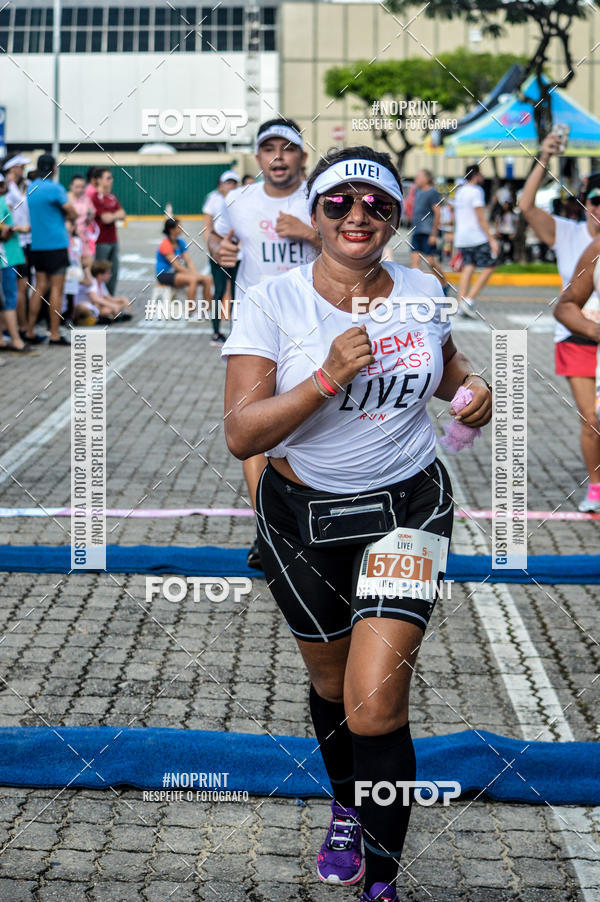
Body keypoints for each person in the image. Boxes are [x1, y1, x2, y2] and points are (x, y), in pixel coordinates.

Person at [222, 145, 491, 902]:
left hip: (406, 509)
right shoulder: (274, 301)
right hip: (302, 517)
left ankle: (382, 881)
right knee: (332, 682)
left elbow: (448, 372)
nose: (357, 217)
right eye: (339, 203)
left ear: (395, 218)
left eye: (375, 206)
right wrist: (328, 376)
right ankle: (346, 802)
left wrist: (476, 393)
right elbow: (243, 433)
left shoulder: (422, 289)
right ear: (317, 215)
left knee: (376, 703)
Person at [209, 117, 321, 569]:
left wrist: (310, 234)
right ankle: (269, 532)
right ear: (258, 157)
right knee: (253, 432)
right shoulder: (238, 200)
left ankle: (319, 524)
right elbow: (215, 234)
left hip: (315, 328)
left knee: (311, 429)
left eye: (288, 148)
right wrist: (219, 250)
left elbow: (360, 244)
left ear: (302, 157)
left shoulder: (320, 199)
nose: (278, 156)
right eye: (269, 148)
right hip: (257, 330)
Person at [519, 133, 600, 510]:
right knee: (593, 419)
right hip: (578, 338)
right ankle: (596, 488)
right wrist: (545, 156)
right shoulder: (566, 233)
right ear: (586, 204)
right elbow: (526, 204)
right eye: (597, 202)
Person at [553, 239, 600, 511]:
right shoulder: (595, 248)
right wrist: (594, 330)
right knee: (592, 420)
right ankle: (596, 487)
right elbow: (565, 305)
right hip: (582, 343)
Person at [25, 152, 77, 346]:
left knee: (39, 287)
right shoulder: (56, 189)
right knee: (57, 288)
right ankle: (54, 333)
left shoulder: (31, 188)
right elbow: (72, 211)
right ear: (54, 169)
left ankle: (30, 330)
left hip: (37, 244)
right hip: (56, 243)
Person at [453, 163, 499, 318]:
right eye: (480, 174)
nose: (482, 177)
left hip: (462, 237)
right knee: (491, 265)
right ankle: (469, 299)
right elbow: (481, 218)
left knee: (468, 267)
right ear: (476, 175)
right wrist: (491, 239)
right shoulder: (476, 191)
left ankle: (461, 303)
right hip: (476, 236)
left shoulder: (460, 192)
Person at [202, 171, 240, 344]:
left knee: (236, 293)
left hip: (239, 254)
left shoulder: (242, 201)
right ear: (221, 185)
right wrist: (213, 249)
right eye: (227, 183)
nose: (230, 186)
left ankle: (235, 330)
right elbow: (207, 228)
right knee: (218, 291)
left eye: (233, 183)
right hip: (218, 253)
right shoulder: (214, 200)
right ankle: (216, 331)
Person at [0, 174, 33, 352]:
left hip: (10, 257)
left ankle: (3, 338)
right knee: (9, 299)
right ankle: (16, 339)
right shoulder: (2, 203)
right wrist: (17, 228)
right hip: (6, 258)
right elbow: (4, 233)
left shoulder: (4, 202)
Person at [409, 168, 451, 295]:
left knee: (431, 261)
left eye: (419, 177)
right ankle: (415, 291)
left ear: (426, 178)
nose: (416, 179)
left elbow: (438, 212)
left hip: (427, 231)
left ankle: (444, 284)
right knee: (415, 262)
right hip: (417, 230)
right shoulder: (417, 191)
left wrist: (434, 233)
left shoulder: (433, 192)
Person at [156, 217, 211, 308]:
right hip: (165, 274)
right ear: (172, 230)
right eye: (179, 227)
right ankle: (191, 311)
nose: (181, 228)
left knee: (207, 279)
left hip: (178, 273)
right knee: (192, 280)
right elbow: (176, 265)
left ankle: (207, 310)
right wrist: (193, 275)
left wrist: (195, 272)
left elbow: (188, 261)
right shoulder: (165, 244)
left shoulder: (180, 242)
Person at [92, 167, 126, 296]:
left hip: (113, 240)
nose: (111, 181)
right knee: (101, 274)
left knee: (113, 272)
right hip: (101, 242)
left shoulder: (112, 197)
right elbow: (105, 219)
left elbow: (123, 214)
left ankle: (110, 300)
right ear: (99, 180)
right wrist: (114, 215)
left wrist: (112, 215)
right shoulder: (95, 198)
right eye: (108, 178)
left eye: (111, 178)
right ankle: (101, 303)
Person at [68, 174, 97, 267]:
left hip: (84, 239)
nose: (80, 189)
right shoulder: (66, 199)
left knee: (89, 267)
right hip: (69, 239)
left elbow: (92, 214)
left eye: (82, 187)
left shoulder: (86, 199)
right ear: (71, 186)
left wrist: (90, 216)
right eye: (77, 187)